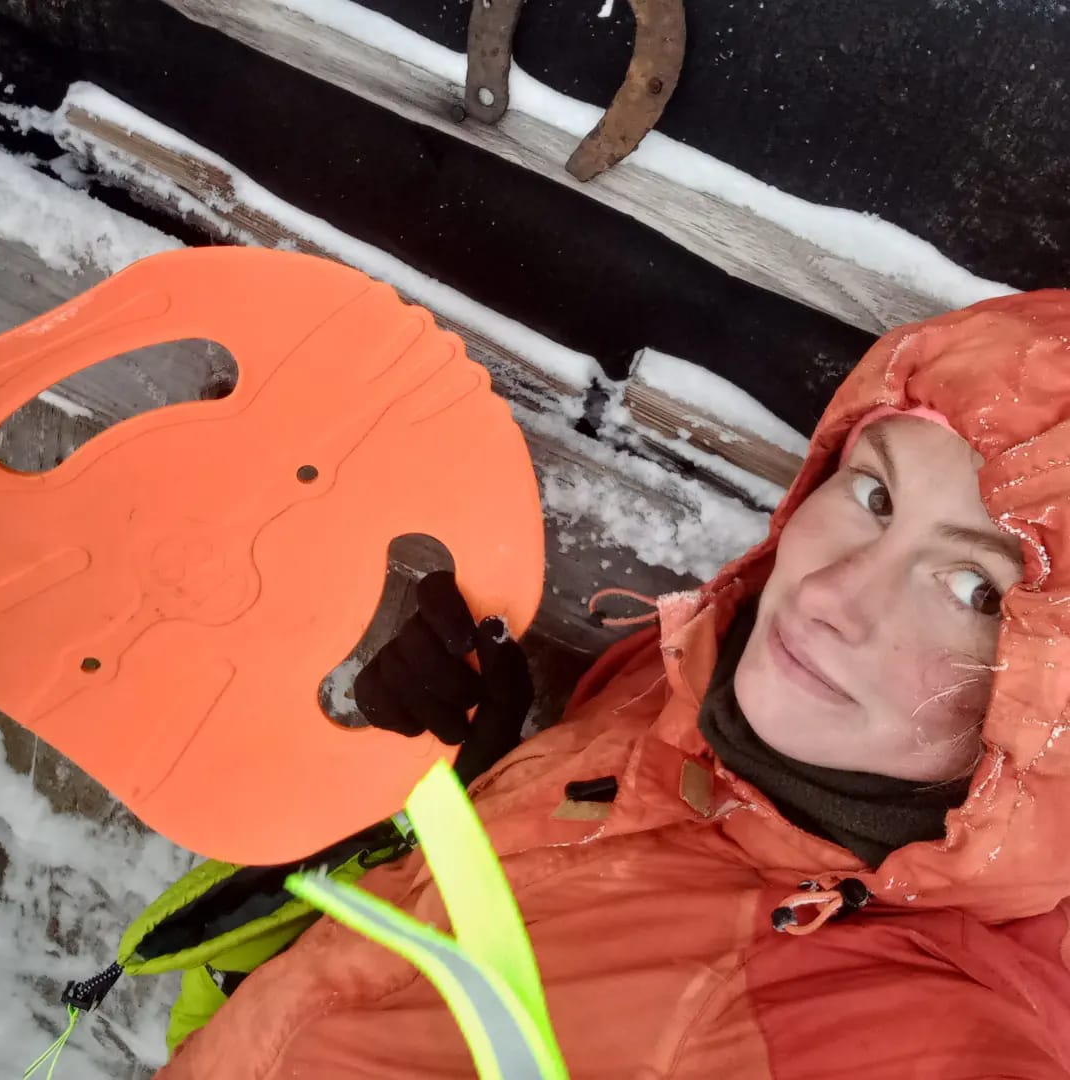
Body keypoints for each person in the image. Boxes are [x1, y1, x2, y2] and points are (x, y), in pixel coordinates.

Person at [155, 291, 1070, 1077]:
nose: (832, 595)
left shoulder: (913, 1024)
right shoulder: (689, 690)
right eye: (874, 496)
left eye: (976, 590)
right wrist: (396, 807)